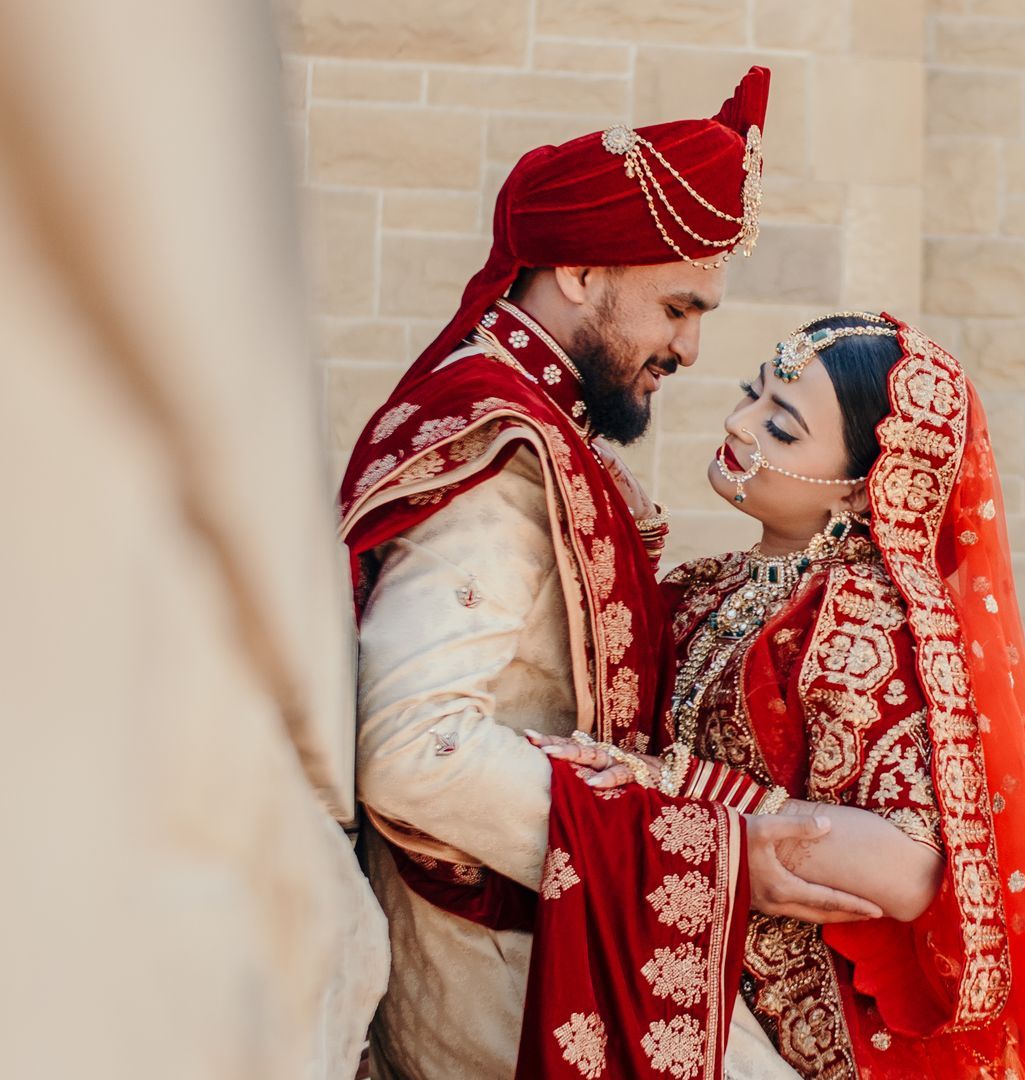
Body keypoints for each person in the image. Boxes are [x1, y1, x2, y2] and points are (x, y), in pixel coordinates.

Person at [339, 69, 907, 1080]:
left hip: (556, 935)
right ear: (579, 271)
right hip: (506, 969)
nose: (689, 347)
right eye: (676, 306)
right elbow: (414, 750)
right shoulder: (503, 450)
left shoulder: (544, 428)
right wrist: (707, 845)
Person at [536, 313, 1025, 1078]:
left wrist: (687, 794)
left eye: (780, 427)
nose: (737, 423)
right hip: (686, 984)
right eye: (753, 393)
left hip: (814, 1041)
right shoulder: (708, 588)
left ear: (858, 490)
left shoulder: (864, 622)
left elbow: (911, 869)